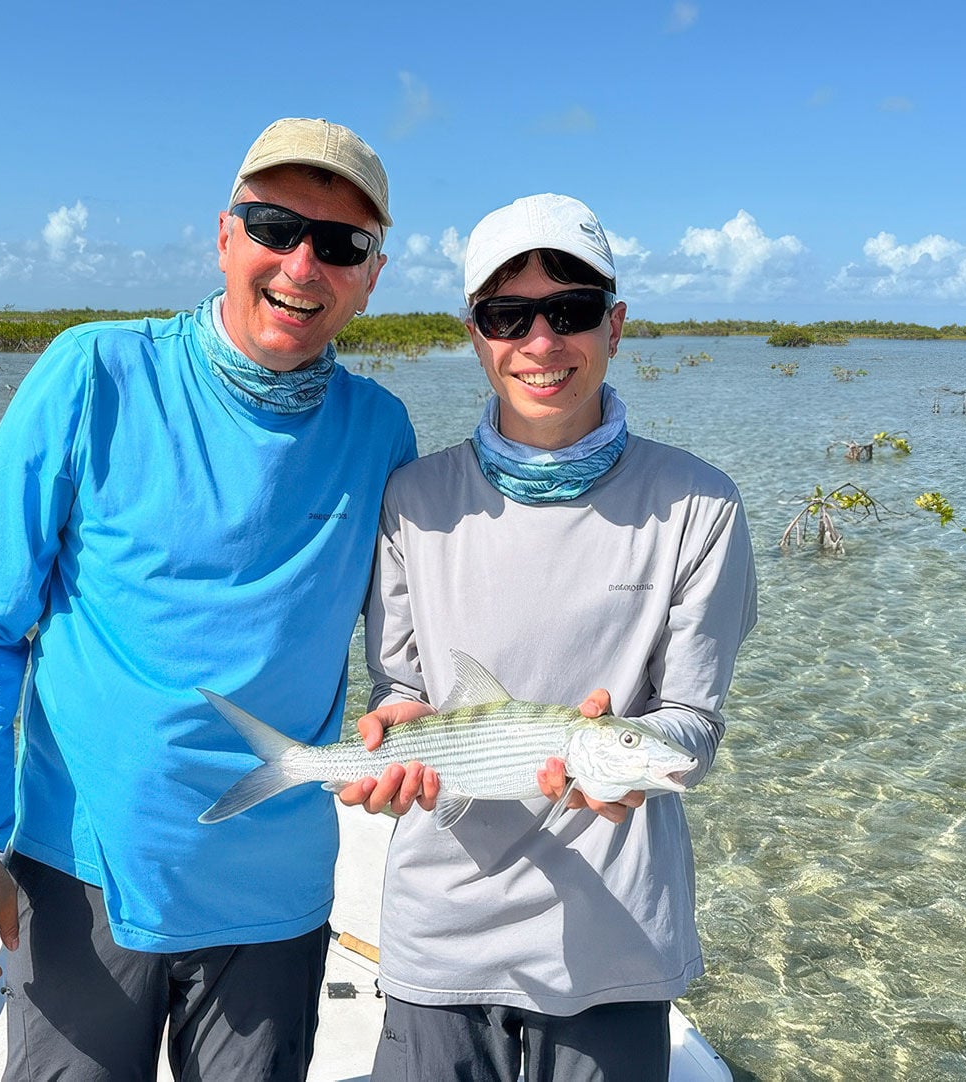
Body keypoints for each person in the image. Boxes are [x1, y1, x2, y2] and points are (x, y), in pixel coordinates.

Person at [0, 117, 416, 1081]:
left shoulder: (380, 429)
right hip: (85, 873)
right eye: (275, 227)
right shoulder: (92, 373)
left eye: (341, 244)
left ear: (371, 274)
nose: (302, 265)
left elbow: (410, 647)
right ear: (226, 234)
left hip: (273, 895)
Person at [338, 193, 757, 1081]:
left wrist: (637, 758)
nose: (540, 342)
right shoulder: (411, 499)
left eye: (569, 311)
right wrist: (396, 730)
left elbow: (692, 721)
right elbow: (402, 686)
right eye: (507, 314)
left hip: (615, 940)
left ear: (616, 325)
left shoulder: (701, 505)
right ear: (475, 332)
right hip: (439, 931)